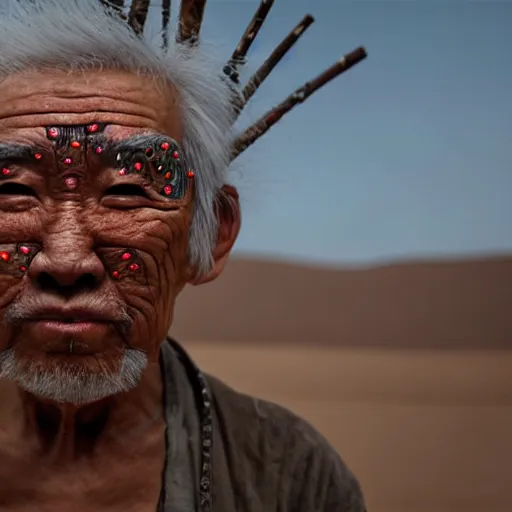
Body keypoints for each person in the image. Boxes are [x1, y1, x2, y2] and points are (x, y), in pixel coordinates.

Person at [0, 1, 367, 510]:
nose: (66, 261)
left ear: (212, 232)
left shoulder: (289, 478)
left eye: (127, 192)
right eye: (13, 190)